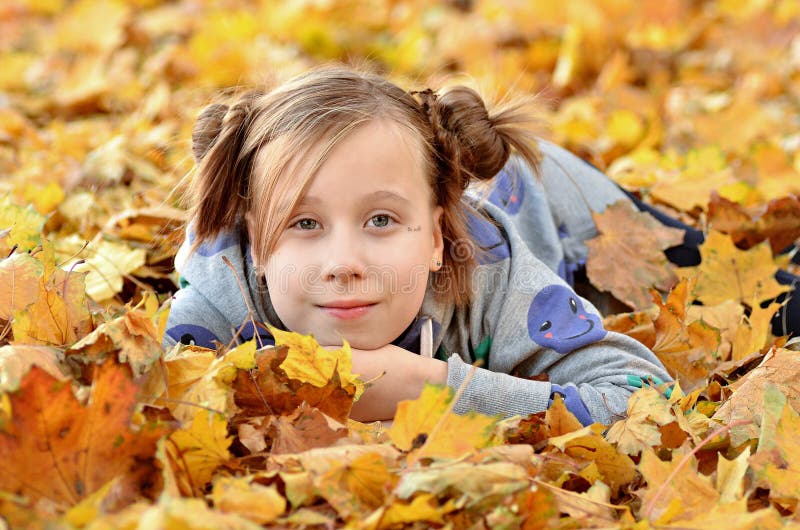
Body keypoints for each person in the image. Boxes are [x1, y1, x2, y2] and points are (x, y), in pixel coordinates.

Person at [163, 64, 674, 426]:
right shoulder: (220, 303)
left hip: (547, 196)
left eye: (380, 219)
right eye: (304, 223)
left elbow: (651, 400)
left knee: (676, 260)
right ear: (255, 240)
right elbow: (139, 400)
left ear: (434, 238)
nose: (343, 264)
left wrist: (427, 386)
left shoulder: (493, 275)